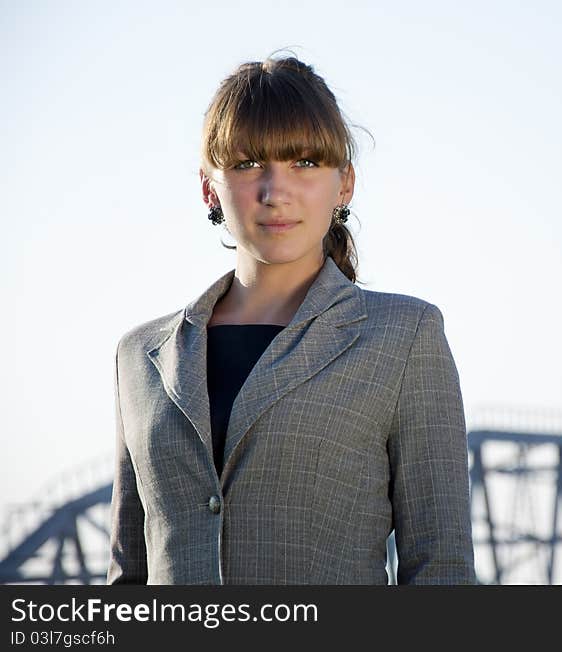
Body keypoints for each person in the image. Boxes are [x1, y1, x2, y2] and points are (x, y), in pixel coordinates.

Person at [107, 54, 476, 584]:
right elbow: (127, 580)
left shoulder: (404, 337)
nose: (275, 191)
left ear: (344, 184)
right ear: (209, 187)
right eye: (247, 163)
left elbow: (441, 570)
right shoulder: (138, 356)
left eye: (303, 162)